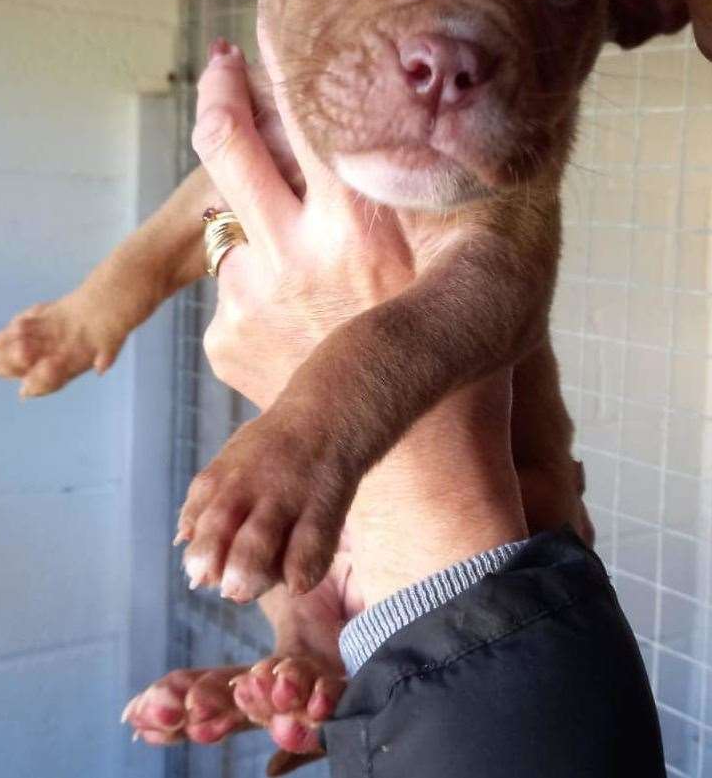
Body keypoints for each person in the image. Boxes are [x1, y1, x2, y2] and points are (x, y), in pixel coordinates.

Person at [128, 44, 666, 776]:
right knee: (296, 560)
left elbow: (489, 285)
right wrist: (97, 306)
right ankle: (319, 671)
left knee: (303, 540)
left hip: (507, 521)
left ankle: (324, 672)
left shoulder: (487, 162)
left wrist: (312, 433)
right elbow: (222, 187)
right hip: (487, 634)